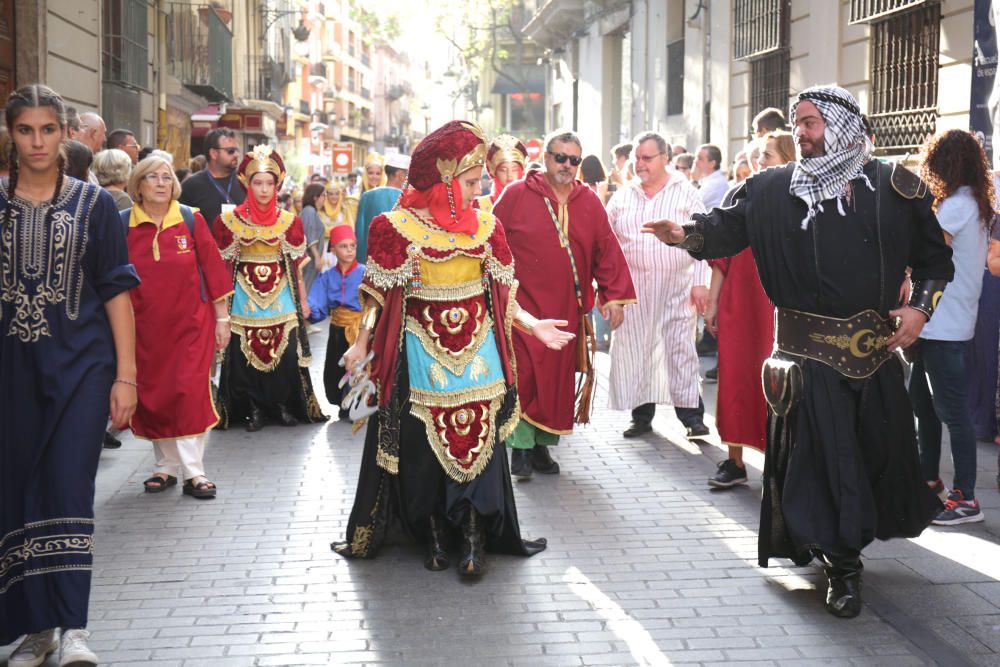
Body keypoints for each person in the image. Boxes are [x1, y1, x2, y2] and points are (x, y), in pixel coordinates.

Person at [643, 85, 954, 619]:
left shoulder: (894, 187)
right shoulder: (769, 190)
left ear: (842, 125)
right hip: (805, 363)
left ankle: (843, 544)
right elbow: (722, 230)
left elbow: (934, 260)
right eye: (798, 124)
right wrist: (685, 236)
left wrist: (920, 308)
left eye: (811, 123)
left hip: (873, 359)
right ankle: (843, 566)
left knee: (869, 459)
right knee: (826, 463)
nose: (802, 133)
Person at [332, 120, 573, 576]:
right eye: (469, 181)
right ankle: (435, 532)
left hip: (479, 353)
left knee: (480, 442)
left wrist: (532, 325)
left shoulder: (487, 225)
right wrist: (361, 343)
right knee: (422, 446)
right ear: (443, 181)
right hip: (419, 352)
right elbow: (377, 294)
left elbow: (502, 293)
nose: (478, 188)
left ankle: (474, 533)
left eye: (479, 178)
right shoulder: (394, 228)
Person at [1, 83, 139, 666]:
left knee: (68, 487)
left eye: (48, 130)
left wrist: (126, 377)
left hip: (83, 368)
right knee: (16, 495)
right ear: (10, 134)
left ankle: (73, 628)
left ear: (65, 135)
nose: (37, 141)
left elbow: (116, 293)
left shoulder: (95, 205)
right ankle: (36, 631)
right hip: (11, 374)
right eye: (25, 130)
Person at [494, 129, 636, 478]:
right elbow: (490, 239)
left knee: (555, 382)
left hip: (566, 309)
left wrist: (613, 295)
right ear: (546, 158)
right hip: (523, 309)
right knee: (525, 375)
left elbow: (606, 248)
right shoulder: (515, 195)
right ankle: (521, 451)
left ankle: (542, 445)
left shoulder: (588, 201)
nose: (568, 165)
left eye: (574, 159)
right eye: (561, 157)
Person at [123, 156, 233, 499]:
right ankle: (165, 467)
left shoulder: (190, 219)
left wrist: (222, 319)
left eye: (166, 177)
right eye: (152, 177)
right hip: (144, 329)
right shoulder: (122, 224)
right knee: (155, 395)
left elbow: (214, 272)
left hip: (192, 325)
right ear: (138, 185)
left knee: (187, 392)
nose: (160, 183)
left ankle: (195, 473)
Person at [212, 145, 326, 431]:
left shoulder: (290, 222)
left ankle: (283, 405)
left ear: (277, 185)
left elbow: (297, 268)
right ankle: (252, 408)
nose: (264, 189)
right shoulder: (227, 222)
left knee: (286, 355)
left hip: (281, 296)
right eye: (258, 183)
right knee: (242, 357)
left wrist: (303, 300)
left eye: (269, 183)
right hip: (242, 297)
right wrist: (221, 311)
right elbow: (221, 269)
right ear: (247, 184)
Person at [704, 130, 795, 488]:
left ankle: (779, 460)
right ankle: (734, 461)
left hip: (777, 308)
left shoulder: (800, 198)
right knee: (735, 380)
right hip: (738, 305)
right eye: (757, 155)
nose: (759, 161)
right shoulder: (739, 194)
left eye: (767, 155)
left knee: (777, 384)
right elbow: (720, 257)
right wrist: (712, 302)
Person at [911, 129, 992, 525]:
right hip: (936, 322)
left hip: (944, 323)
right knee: (923, 405)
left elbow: (926, 252)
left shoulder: (958, 206)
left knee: (952, 412)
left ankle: (966, 498)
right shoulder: (967, 203)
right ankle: (929, 481)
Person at [606, 132, 710, 440]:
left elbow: (703, 235)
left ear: (665, 158)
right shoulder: (624, 196)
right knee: (639, 351)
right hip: (634, 293)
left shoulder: (686, 192)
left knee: (680, 351)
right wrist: (611, 291)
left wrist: (700, 283)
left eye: (647, 158)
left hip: (677, 289)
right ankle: (641, 417)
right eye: (637, 158)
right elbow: (607, 243)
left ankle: (692, 416)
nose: (639, 164)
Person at [307, 224, 364, 418]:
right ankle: (343, 403)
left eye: (353, 246)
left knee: (359, 368)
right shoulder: (327, 277)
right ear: (333, 249)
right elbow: (316, 303)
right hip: (337, 330)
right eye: (344, 246)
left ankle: (358, 404)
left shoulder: (365, 274)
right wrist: (308, 308)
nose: (349, 250)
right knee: (335, 370)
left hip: (359, 330)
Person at [179, 127, 245, 226]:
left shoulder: (245, 182)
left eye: (237, 150)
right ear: (213, 153)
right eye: (230, 151)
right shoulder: (190, 186)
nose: (237, 154)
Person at [355, 152, 408, 259]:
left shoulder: (366, 196)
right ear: (400, 175)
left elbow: (360, 233)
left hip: (371, 260)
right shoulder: (407, 198)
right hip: (399, 262)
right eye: (408, 175)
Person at [475, 134, 527, 214]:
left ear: (522, 171)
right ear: (493, 172)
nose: (509, 174)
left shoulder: (532, 205)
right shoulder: (478, 206)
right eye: (503, 170)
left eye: (514, 169)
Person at [299, 182, 328, 291]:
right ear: (315, 197)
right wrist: (317, 257)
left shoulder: (312, 212)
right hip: (309, 259)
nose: (325, 198)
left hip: (312, 259)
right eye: (323, 195)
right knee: (307, 287)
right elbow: (309, 235)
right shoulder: (309, 211)